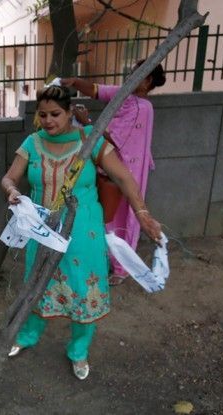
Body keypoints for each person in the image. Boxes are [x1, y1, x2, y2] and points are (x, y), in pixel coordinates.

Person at [1, 85, 162, 380]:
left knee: (84, 288)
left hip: (84, 228)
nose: (49, 121)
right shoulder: (33, 143)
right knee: (37, 283)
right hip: (43, 228)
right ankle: (26, 336)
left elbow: (123, 177)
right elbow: (10, 177)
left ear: (69, 112)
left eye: (55, 114)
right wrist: (11, 190)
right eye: (43, 115)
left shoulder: (90, 141)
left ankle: (79, 351)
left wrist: (142, 212)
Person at [61, 60, 166, 285]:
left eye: (138, 74)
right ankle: (110, 261)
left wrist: (86, 121)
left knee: (124, 216)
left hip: (125, 170)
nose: (131, 76)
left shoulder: (140, 107)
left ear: (147, 81)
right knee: (110, 215)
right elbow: (97, 91)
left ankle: (121, 268)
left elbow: (111, 137)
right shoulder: (125, 95)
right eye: (132, 71)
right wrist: (75, 82)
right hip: (113, 167)